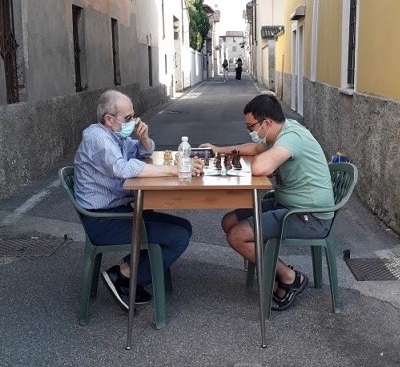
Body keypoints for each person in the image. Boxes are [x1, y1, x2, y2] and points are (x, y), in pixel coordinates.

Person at [200, 93, 334, 311]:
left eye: (251, 127)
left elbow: (260, 167)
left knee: (237, 235)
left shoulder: (291, 137)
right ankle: (269, 266)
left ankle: (290, 277)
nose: (251, 132)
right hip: (286, 203)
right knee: (229, 221)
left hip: (309, 215)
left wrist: (266, 158)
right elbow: (254, 149)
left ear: (267, 123)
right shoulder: (280, 131)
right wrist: (218, 150)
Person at [74, 89, 203, 310]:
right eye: (128, 118)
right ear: (109, 119)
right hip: (103, 220)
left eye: (134, 116)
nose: (133, 122)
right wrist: (173, 170)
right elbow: (123, 168)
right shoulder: (98, 138)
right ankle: (124, 277)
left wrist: (143, 138)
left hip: (117, 210)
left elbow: (141, 152)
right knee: (178, 237)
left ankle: (126, 270)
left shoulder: (114, 135)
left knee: (184, 226)